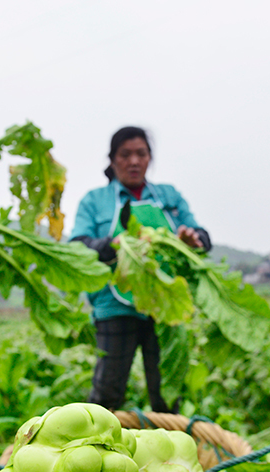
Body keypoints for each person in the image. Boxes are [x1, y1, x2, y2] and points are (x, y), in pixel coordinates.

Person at [69, 126, 211, 413]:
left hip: (166, 305)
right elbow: (78, 246)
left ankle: (169, 451)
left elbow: (202, 236)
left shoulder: (169, 196)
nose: (133, 161)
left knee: (168, 392)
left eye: (141, 154)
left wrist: (192, 239)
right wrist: (114, 245)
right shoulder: (95, 201)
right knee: (108, 391)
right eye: (125, 155)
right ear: (112, 160)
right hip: (115, 305)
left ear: (149, 159)